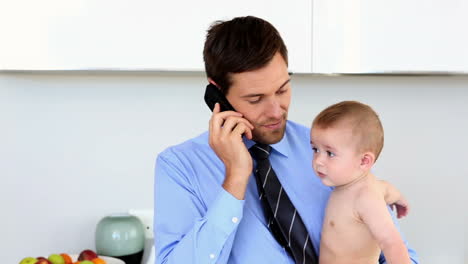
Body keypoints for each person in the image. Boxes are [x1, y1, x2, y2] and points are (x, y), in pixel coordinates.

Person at [154, 16, 418, 263]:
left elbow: (398, 250)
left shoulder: (330, 150)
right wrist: (235, 177)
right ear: (217, 94)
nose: (275, 110)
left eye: (282, 90)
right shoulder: (179, 167)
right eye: (255, 99)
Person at [310, 101, 411, 264]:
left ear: (364, 161)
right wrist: (399, 199)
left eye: (330, 153)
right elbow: (386, 188)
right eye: (315, 150)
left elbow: (391, 242)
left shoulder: (365, 197)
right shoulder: (360, 185)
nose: (318, 161)